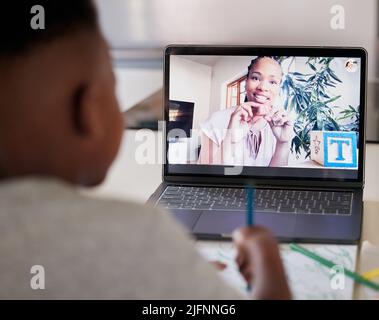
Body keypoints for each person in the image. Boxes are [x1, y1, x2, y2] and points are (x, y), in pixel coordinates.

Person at [0, 1, 291, 299]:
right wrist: (266, 257)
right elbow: (216, 174)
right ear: (88, 110)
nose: (264, 87)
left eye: (274, 81)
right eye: (114, 89)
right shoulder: (140, 232)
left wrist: (282, 142)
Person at [198, 56, 294, 167]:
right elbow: (205, 178)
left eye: (272, 82)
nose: (263, 87)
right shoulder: (215, 121)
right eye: (256, 78)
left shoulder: (281, 125)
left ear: (279, 88)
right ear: (246, 81)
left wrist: (282, 143)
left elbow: (276, 180)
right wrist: (230, 139)